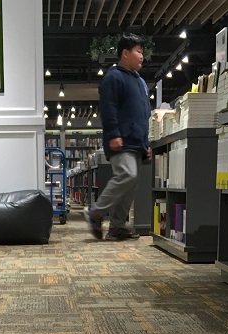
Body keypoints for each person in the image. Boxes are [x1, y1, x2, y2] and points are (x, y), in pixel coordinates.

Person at [83, 33, 151, 242]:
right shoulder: (113, 77)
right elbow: (108, 108)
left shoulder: (140, 82)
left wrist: (146, 142)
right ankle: (95, 212)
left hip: (137, 141)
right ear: (125, 53)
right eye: (138, 51)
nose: (142, 56)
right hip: (121, 140)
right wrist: (113, 134)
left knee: (131, 185)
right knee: (127, 175)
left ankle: (117, 226)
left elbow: (144, 114)